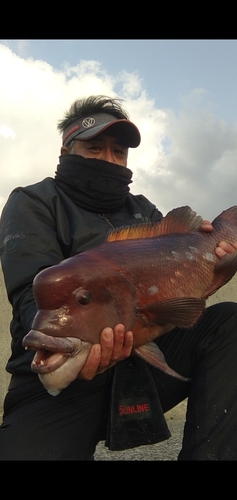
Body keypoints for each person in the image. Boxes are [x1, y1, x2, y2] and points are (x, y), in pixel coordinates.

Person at [0, 95, 237, 461]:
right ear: (66, 149)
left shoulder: (143, 210)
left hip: (139, 370)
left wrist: (218, 264)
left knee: (230, 323)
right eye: (94, 148)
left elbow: (181, 298)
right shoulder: (33, 201)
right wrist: (82, 338)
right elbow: (30, 294)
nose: (108, 160)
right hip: (60, 376)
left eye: (119, 153)